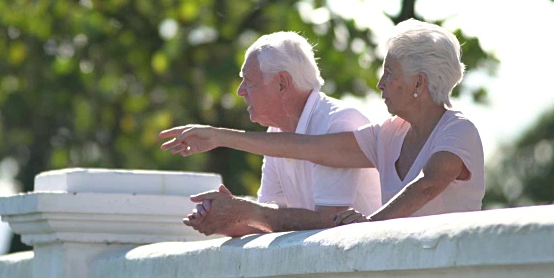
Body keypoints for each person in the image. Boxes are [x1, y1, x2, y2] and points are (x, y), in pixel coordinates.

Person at [160, 19, 485, 226]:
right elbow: (306, 147)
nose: (380, 84)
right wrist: (217, 136)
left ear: (418, 83)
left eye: (389, 73)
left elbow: (429, 183)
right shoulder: (388, 135)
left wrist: (369, 226)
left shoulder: (458, 129)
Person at [172, 31, 381, 237]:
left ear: (282, 83)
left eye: (249, 81)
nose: (240, 91)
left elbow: (331, 222)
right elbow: (271, 220)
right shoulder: (275, 131)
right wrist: (227, 219)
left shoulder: (337, 122)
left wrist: (243, 211)